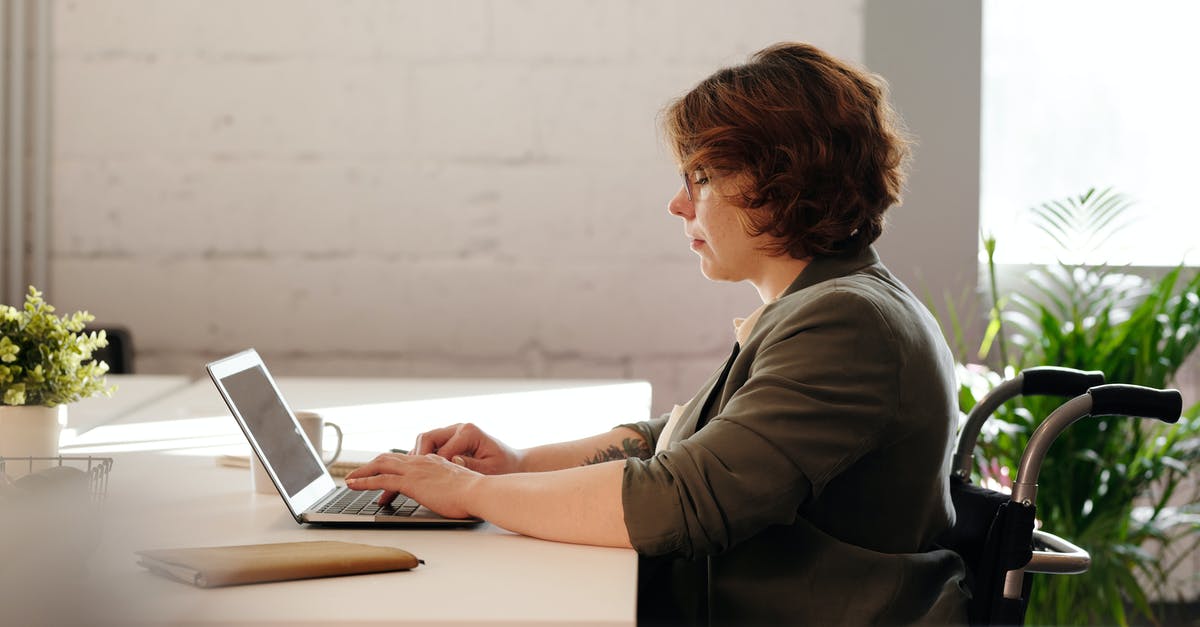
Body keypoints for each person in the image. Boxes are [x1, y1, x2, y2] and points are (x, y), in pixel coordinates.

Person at [346, 42, 969, 625]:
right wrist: (513, 466)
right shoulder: (830, 302)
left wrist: (473, 494)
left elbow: (683, 498)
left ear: (778, 183)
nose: (678, 204)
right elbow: (681, 439)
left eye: (700, 178)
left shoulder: (848, 324)